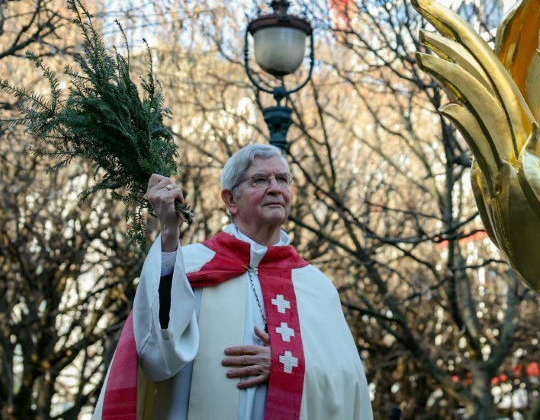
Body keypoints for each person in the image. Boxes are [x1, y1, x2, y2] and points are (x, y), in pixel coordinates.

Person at [93, 143, 374, 419]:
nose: (275, 188)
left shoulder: (315, 286)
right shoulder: (188, 265)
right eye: (260, 180)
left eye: (282, 179)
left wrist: (287, 364)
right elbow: (156, 356)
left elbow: (351, 385)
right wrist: (169, 234)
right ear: (230, 200)